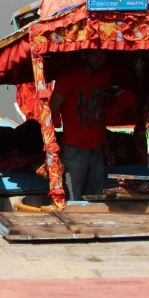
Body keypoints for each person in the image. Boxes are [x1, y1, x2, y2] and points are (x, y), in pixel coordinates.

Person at [50, 50, 114, 201]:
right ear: (84, 54)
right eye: (96, 53)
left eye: (103, 54)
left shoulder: (103, 77)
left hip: (97, 148)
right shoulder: (67, 78)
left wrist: (107, 148)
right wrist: (52, 148)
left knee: (96, 200)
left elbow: (100, 115)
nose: (101, 58)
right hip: (74, 148)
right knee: (74, 201)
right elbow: (50, 111)